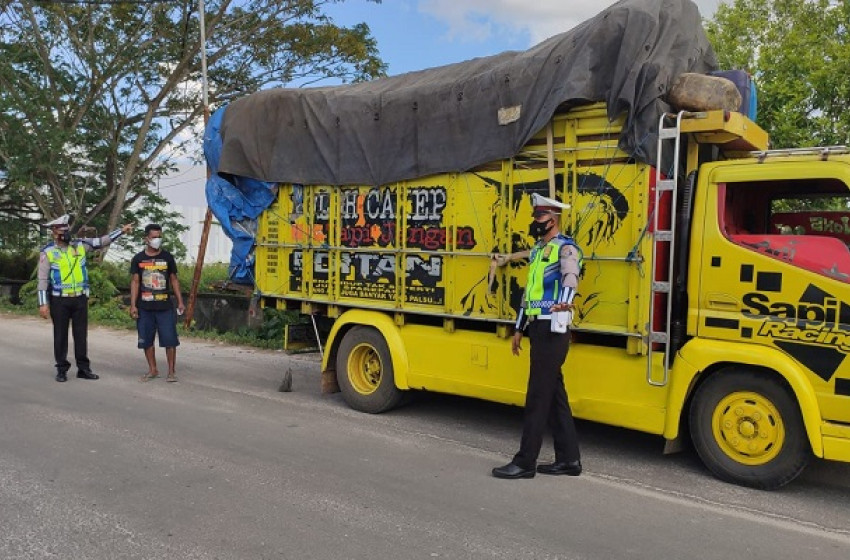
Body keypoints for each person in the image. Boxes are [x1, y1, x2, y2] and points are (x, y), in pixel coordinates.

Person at [492, 193, 583, 479]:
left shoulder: (566, 248)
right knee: (554, 395)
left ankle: (525, 462)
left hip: (554, 328)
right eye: (535, 217)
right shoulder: (537, 251)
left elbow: (571, 277)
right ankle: (569, 459)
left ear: (553, 219)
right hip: (538, 327)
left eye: (540, 217)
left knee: (537, 395)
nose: (535, 222)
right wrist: (520, 328)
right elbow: (529, 294)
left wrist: (565, 303)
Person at [37, 215, 133, 382]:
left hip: (80, 298)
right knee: (60, 336)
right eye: (61, 231)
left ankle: (83, 369)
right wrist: (43, 303)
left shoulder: (80, 245)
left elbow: (101, 241)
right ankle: (61, 369)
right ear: (54, 233)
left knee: (81, 335)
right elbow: (43, 279)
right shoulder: (48, 252)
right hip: (59, 300)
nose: (65, 234)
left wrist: (121, 231)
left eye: (66, 230)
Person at [130, 224, 185, 382]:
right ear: (146, 239)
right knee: (146, 340)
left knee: (170, 340)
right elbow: (135, 282)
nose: (157, 240)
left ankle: (171, 372)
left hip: (165, 307)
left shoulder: (167, 257)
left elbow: (174, 280)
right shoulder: (138, 259)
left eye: (159, 237)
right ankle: (152, 369)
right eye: (154, 237)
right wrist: (133, 305)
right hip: (144, 307)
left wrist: (180, 301)